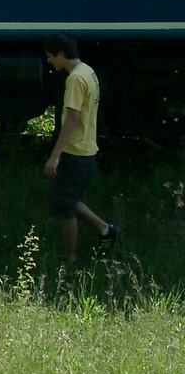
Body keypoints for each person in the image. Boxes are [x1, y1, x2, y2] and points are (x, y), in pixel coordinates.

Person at [43, 32, 119, 263]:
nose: (49, 61)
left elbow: (72, 119)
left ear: (61, 54)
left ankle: (70, 257)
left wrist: (55, 155)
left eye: (50, 56)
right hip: (87, 150)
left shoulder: (75, 79)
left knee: (65, 207)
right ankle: (105, 230)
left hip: (75, 153)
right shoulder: (88, 72)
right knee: (67, 199)